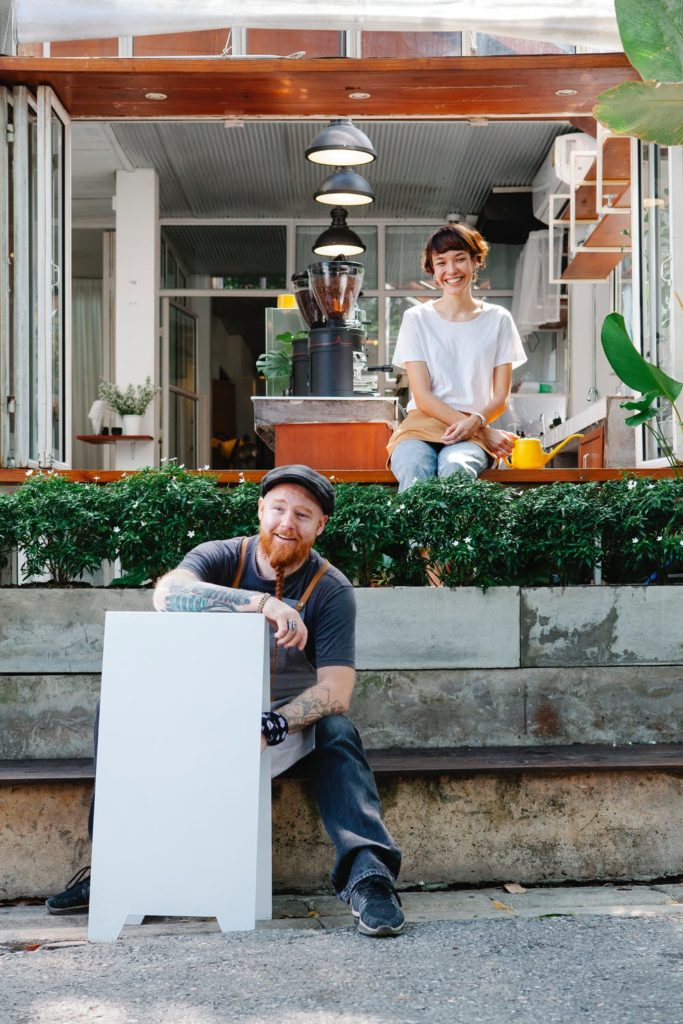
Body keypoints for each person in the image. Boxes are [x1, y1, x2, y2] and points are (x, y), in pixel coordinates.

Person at [47, 465, 404, 938]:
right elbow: (167, 594)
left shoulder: (330, 589)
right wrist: (263, 605)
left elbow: (336, 692)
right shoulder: (221, 556)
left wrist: (270, 726)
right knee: (115, 709)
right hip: (201, 716)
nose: (286, 523)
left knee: (338, 732)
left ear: (320, 526)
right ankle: (113, 867)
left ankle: (369, 877)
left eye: (303, 514)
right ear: (260, 510)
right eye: (278, 508)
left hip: (277, 731)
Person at [388, 224, 526, 491]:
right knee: (414, 468)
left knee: (455, 467)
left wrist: (475, 424)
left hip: (471, 433)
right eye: (441, 263)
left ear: (476, 261)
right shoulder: (416, 319)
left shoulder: (498, 320)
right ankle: (418, 536)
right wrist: (483, 430)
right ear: (433, 270)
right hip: (421, 427)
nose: (451, 271)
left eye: (460, 259)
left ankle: (452, 536)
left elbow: (500, 398)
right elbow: (423, 397)